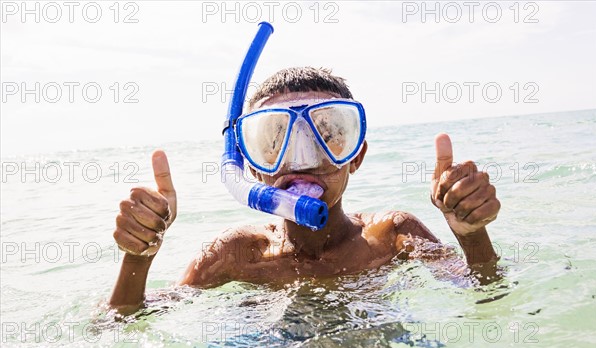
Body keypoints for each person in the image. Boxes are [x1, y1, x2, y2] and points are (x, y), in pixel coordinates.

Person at [109, 67, 500, 315]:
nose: (301, 160)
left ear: (356, 155)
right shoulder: (236, 253)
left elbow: (485, 290)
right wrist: (138, 260)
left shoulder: (393, 235)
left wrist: (471, 234)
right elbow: (123, 322)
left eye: (328, 135)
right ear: (250, 167)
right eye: (274, 140)